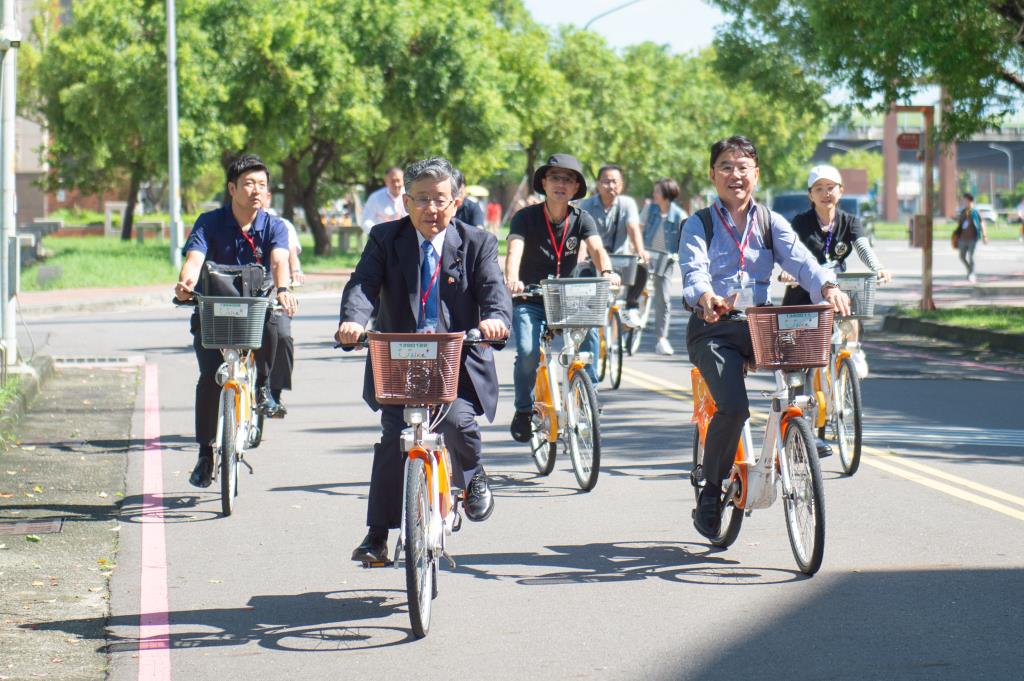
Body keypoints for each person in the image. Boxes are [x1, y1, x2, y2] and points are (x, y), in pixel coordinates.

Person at [336, 157, 512, 564]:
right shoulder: (385, 239)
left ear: (455, 202)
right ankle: (377, 535)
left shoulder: (478, 242)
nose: (431, 209)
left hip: (458, 357)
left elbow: (492, 288)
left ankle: (472, 474)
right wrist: (352, 321)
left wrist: (495, 320)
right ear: (406, 202)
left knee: (455, 420)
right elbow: (363, 284)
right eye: (421, 200)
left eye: (440, 199)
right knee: (393, 438)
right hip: (400, 361)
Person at [680, 136, 850, 540]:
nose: (734, 175)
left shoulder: (770, 221)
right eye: (725, 166)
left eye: (743, 167)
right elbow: (693, 271)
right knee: (734, 408)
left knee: (804, 349)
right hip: (712, 326)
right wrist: (707, 297)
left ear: (756, 174)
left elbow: (804, 263)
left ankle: (800, 433)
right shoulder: (699, 223)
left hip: (759, 323)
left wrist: (828, 288)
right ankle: (710, 490)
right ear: (713, 174)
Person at [174, 155, 299, 488]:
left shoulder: (274, 226)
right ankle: (204, 454)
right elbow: (194, 259)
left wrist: (283, 289)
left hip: (257, 307)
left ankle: (263, 390)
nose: (256, 190)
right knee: (208, 379)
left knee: (280, 329)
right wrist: (186, 283)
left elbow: (278, 260)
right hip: (215, 308)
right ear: (232, 188)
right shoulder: (209, 222)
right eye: (248, 183)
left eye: (261, 184)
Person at [504, 153, 620, 443]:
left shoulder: (582, 218)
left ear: (575, 188)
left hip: (565, 297)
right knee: (530, 353)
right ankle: (523, 410)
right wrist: (512, 278)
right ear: (543, 182)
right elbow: (514, 249)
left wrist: (606, 270)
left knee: (590, 331)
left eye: (568, 179)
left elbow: (596, 248)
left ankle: (588, 392)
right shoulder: (525, 217)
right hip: (530, 296)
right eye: (555, 177)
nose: (561, 184)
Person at [779, 165, 891, 380]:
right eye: (818, 188)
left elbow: (863, 247)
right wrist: (788, 272)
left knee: (849, 309)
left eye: (830, 187)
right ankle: (793, 393)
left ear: (841, 190)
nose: (825, 193)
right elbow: (790, 253)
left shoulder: (850, 221)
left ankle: (853, 353)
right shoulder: (801, 222)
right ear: (810, 194)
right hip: (804, 285)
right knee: (794, 357)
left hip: (836, 285)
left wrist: (877, 267)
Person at [579, 164, 648, 327]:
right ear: (597, 184)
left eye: (615, 181)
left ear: (621, 184)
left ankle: (631, 305)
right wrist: (580, 256)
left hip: (620, 259)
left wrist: (640, 251)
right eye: (605, 181)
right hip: (594, 259)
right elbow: (581, 236)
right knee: (579, 272)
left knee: (641, 267)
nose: (610, 185)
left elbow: (633, 228)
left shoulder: (627, 204)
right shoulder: (586, 205)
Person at [265, 189, 304, 417]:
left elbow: (288, 254)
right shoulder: (230, 221)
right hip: (244, 294)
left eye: (262, 187)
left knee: (282, 336)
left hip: (275, 292)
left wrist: (295, 271)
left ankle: (275, 393)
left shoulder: (281, 224)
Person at [638, 177, 687, 355]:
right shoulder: (649, 209)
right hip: (645, 256)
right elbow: (638, 228)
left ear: (666, 194)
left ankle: (661, 339)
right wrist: (638, 249)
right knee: (633, 290)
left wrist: (676, 257)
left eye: (657, 191)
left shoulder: (680, 216)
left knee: (663, 299)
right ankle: (629, 319)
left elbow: (684, 242)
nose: (654, 194)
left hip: (665, 261)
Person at [360, 166, 407, 234]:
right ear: (386, 181)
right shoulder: (375, 198)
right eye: (393, 181)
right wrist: (380, 232)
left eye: (398, 180)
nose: (396, 184)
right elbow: (365, 220)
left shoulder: (411, 195)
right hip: (382, 240)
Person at [954, 193, 988, 283]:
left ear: (970, 201)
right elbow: (960, 224)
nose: (963, 202)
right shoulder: (963, 212)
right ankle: (970, 270)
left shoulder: (975, 212)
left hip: (972, 239)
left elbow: (982, 223)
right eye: (963, 201)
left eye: (965, 200)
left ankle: (972, 273)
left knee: (971, 257)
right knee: (961, 256)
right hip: (962, 239)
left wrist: (984, 235)